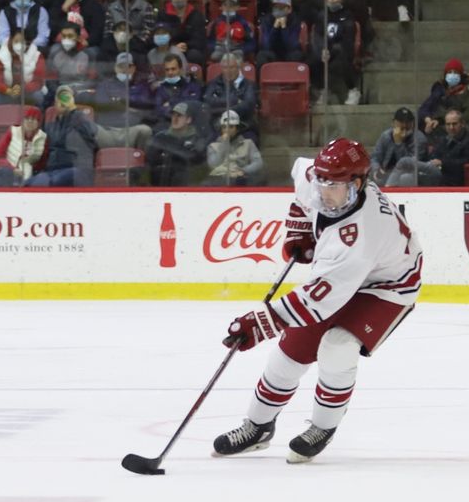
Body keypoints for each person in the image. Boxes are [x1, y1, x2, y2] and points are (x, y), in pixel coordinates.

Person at [212, 137, 422, 463]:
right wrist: (299, 230)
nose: (324, 191)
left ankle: (323, 427)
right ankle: (257, 427)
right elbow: (301, 190)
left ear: (357, 184)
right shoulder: (317, 176)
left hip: (388, 287)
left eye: (334, 186)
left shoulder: (362, 233)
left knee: (337, 348)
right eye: (322, 182)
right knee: (290, 350)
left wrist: (261, 322)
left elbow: (316, 299)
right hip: (343, 279)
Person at [146, 101, 205, 186]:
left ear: (188, 120)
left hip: (185, 186)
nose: (175, 119)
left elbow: (198, 163)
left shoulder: (197, 139)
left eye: (179, 116)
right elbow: (149, 160)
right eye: (173, 115)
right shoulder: (160, 136)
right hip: (158, 184)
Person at [0, 105, 46, 186]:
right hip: (6, 172)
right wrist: (13, 169)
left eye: (33, 119)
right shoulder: (12, 132)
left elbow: (41, 162)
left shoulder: (42, 138)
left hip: (27, 176)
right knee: (5, 175)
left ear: (38, 123)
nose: (29, 122)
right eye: (27, 118)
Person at [204, 110, 264, 186]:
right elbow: (213, 164)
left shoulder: (248, 143)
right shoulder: (213, 146)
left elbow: (258, 162)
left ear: (237, 129)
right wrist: (223, 144)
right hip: (220, 182)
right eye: (224, 127)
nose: (227, 130)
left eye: (231, 127)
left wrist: (243, 171)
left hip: (242, 180)